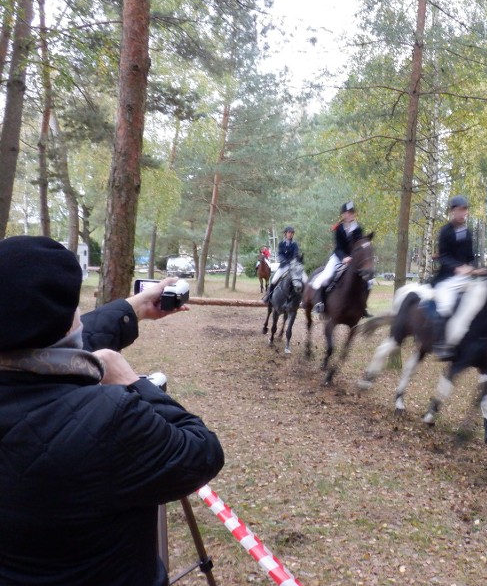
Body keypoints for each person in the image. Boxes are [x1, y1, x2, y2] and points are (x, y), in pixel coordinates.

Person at [0, 235, 225, 586]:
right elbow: (201, 453)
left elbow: (44, 345)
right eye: (74, 308)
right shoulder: (109, 418)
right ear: (62, 323)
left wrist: (131, 308)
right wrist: (133, 383)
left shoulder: (17, 349)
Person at [431, 195, 476, 360]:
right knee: (446, 305)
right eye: (460, 210)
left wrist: (471, 267)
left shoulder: (468, 232)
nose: (463, 213)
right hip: (447, 278)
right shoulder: (445, 231)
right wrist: (457, 268)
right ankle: (441, 344)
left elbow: (470, 257)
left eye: (465, 210)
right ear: (453, 211)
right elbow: (443, 256)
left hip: (465, 278)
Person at [311, 201, 363, 315]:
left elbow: (359, 245)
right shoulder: (339, 228)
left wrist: (354, 257)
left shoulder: (358, 228)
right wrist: (344, 258)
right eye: (347, 213)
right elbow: (338, 247)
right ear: (343, 214)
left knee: (365, 280)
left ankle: (362, 306)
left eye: (351, 212)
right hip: (338, 257)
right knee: (326, 276)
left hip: (353, 259)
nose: (350, 214)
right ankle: (320, 304)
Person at [263, 226, 299, 302]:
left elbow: (296, 254)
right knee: (274, 280)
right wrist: (284, 260)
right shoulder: (281, 244)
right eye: (289, 232)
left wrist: (293, 261)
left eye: (292, 233)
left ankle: (302, 299)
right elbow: (280, 254)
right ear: (285, 234)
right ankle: (269, 296)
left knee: (302, 280)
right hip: (283, 266)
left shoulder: (295, 244)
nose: (290, 234)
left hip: (293, 267)